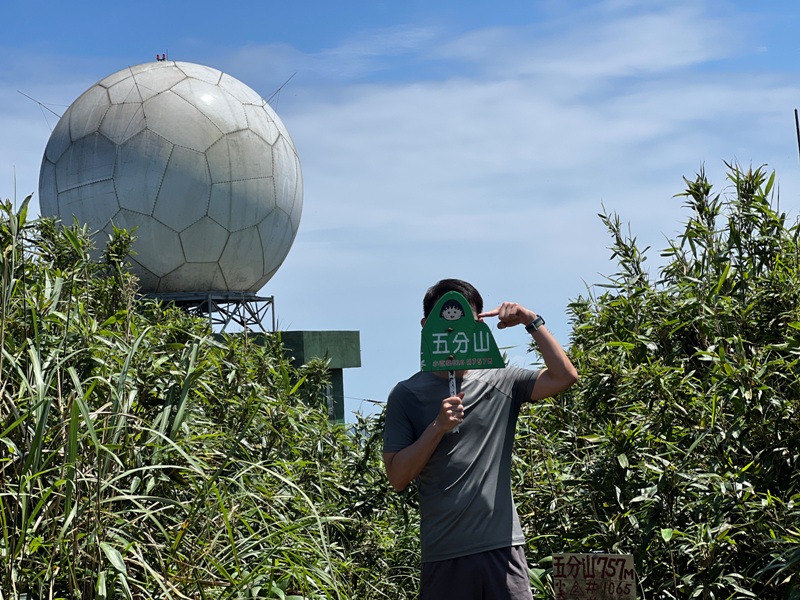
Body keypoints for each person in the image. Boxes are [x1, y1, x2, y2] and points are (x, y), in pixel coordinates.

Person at [382, 278, 579, 600]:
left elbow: (564, 376)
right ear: (424, 326)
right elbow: (398, 477)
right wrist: (437, 427)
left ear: (478, 325)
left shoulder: (502, 381)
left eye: (464, 322)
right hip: (444, 552)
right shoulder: (406, 394)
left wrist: (531, 321)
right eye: (442, 323)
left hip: (502, 547)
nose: (452, 331)